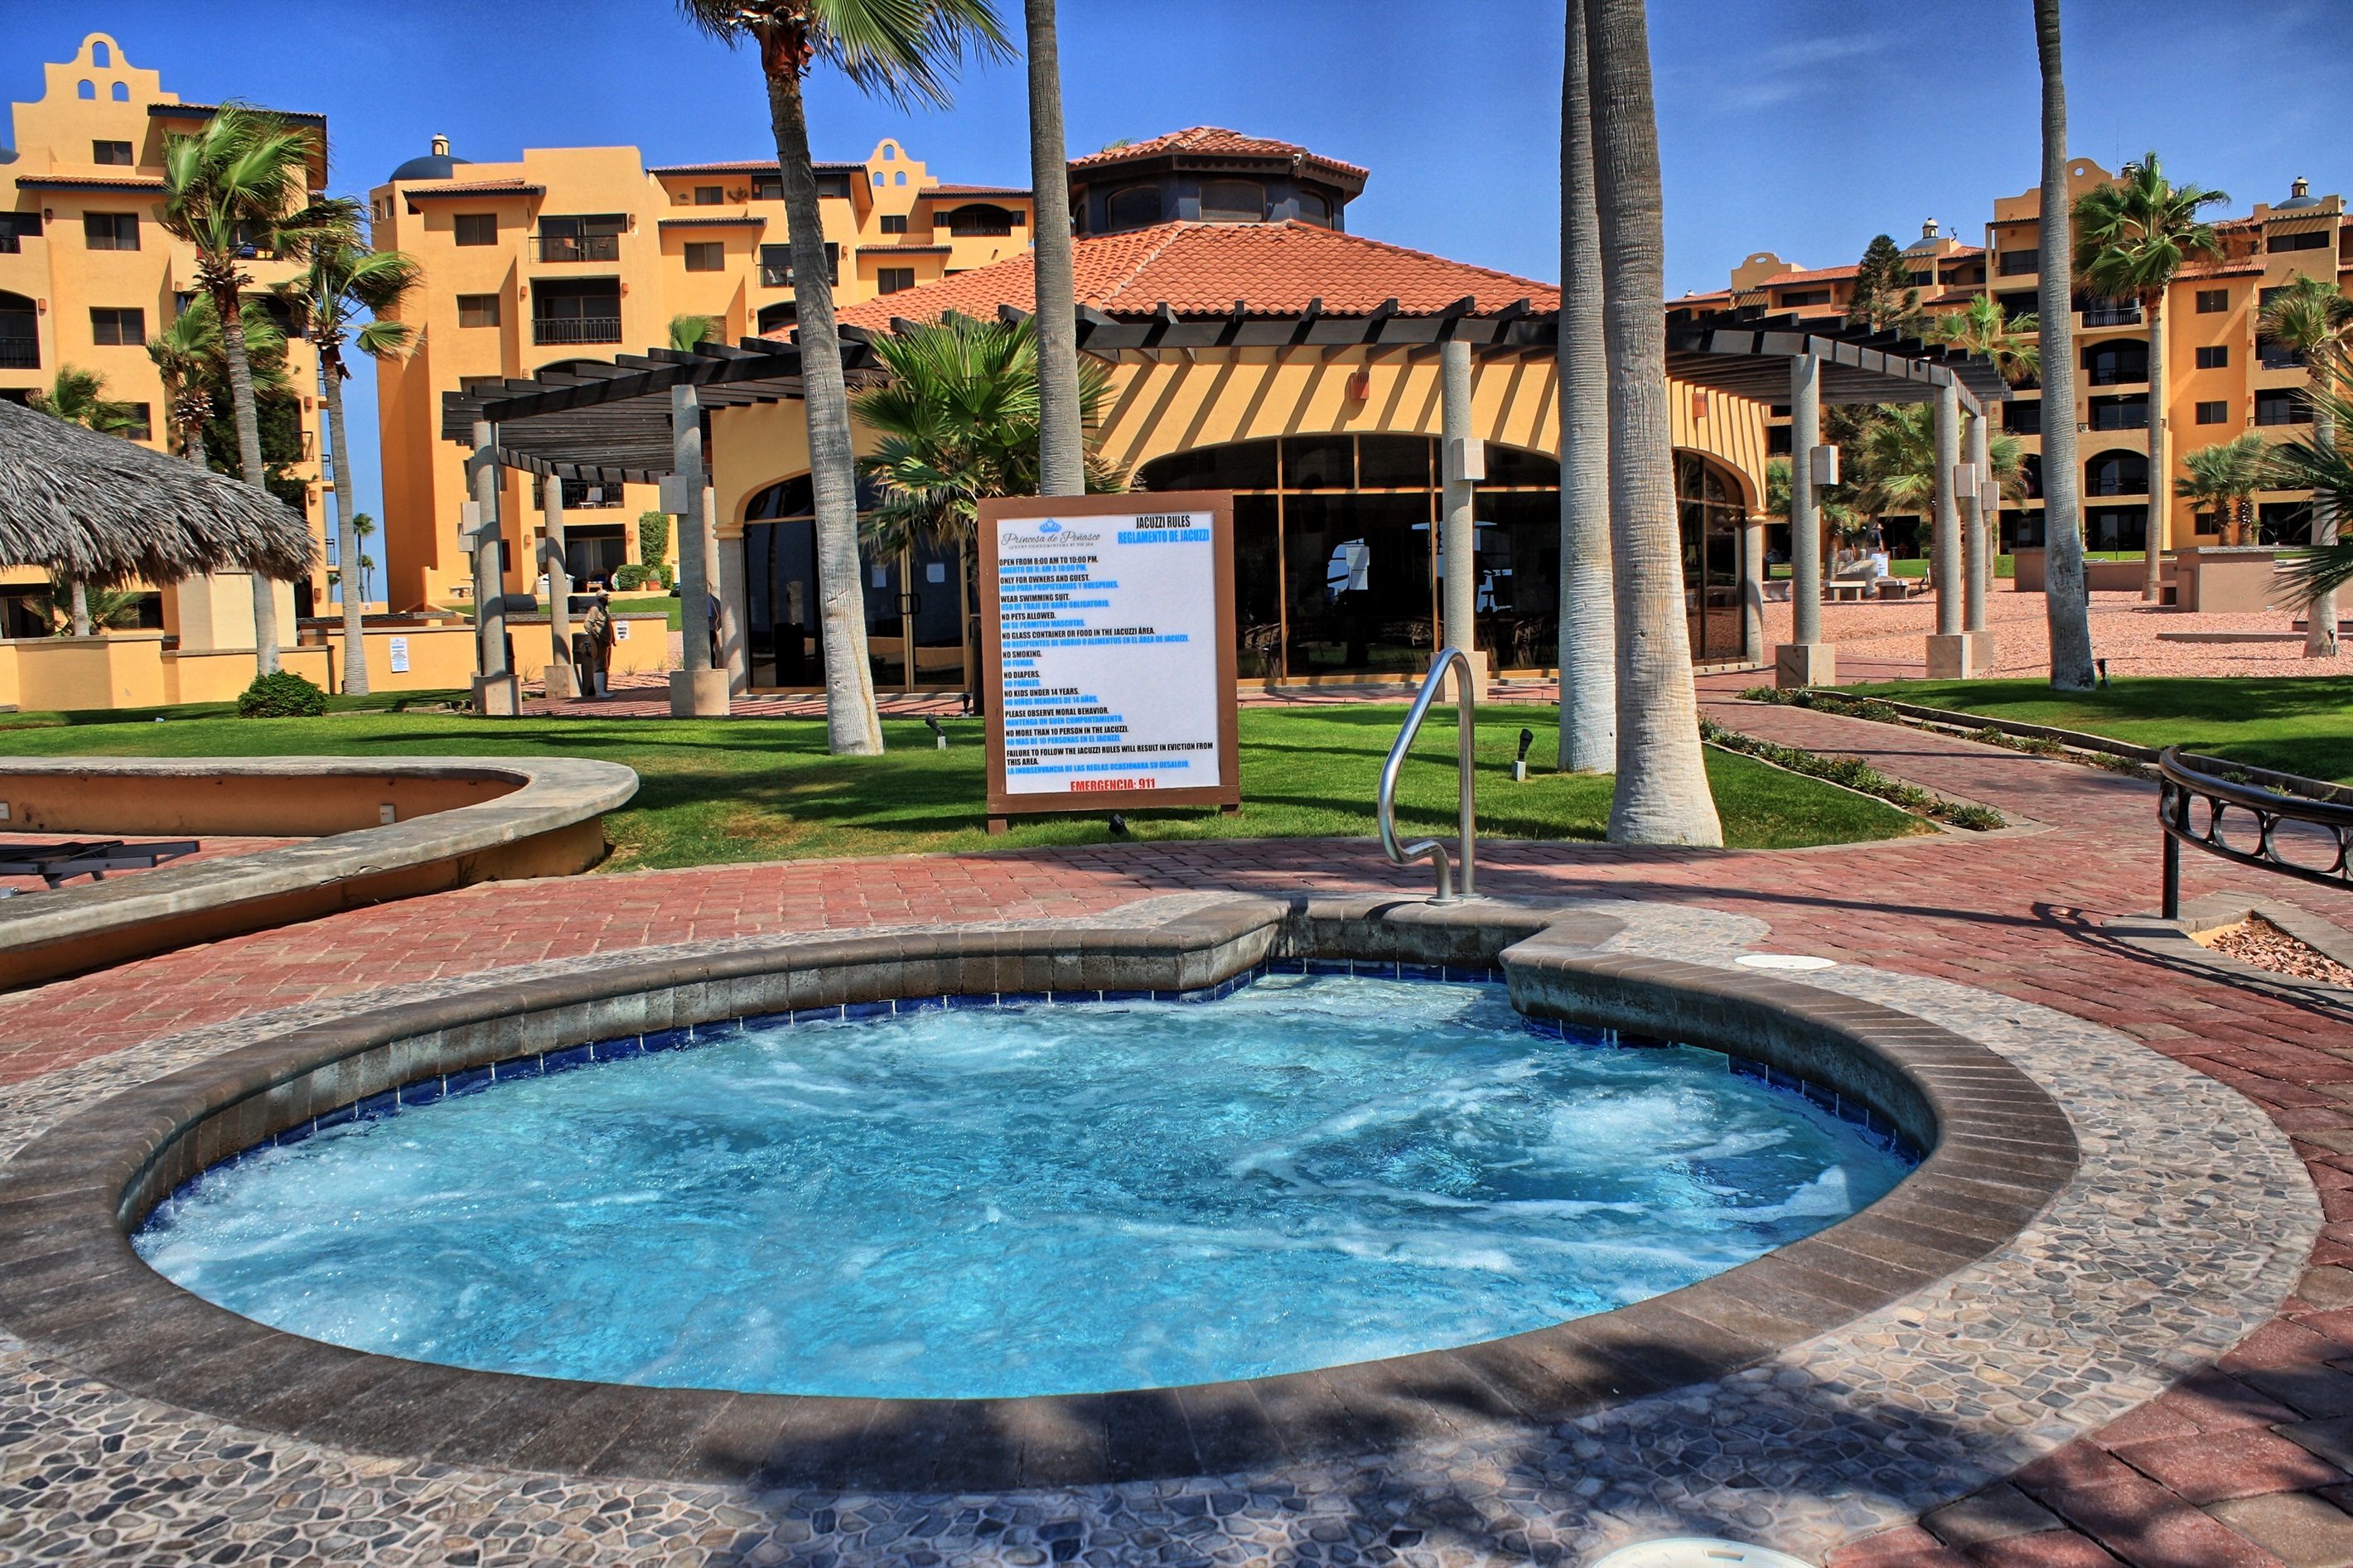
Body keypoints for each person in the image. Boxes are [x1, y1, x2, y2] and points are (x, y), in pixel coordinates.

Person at [582, 591, 615, 697]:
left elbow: (607, 626)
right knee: (599, 665)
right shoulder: (595, 609)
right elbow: (587, 624)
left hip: (606, 641)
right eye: (605, 597)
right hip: (599, 641)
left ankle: (604, 690)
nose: (607, 599)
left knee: (605, 665)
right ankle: (600, 692)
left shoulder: (604, 610)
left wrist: (613, 639)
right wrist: (595, 635)